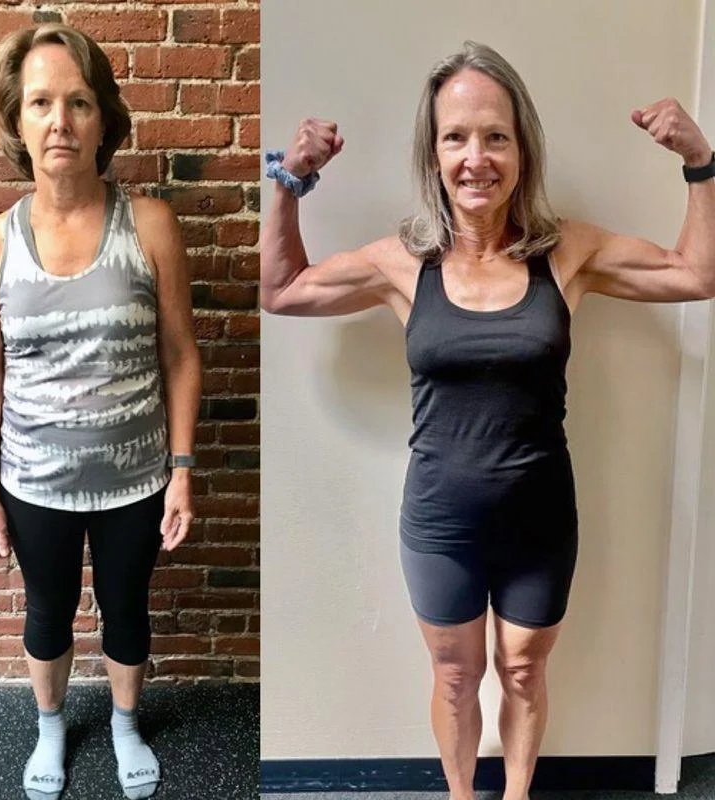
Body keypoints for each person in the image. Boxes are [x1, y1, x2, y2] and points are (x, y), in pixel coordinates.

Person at [260, 40, 715, 800]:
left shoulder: (567, 250)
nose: (477, 157)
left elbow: (696, 272)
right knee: (453, 674)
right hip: (440, 525)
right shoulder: (405, 261)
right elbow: (283, 290)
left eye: (495, 136)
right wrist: (292, 182)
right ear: (433, 152)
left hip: (541, 521)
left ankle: (517, 794)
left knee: (525, 670)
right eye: (456, 137)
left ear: (522, 148)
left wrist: (700, 164)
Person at [0, 23, 201, 800]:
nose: (60, 121)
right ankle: (52, 726)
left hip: (136, 478)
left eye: (78, 102)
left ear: (103, 121)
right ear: (17, 123)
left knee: (127, 609)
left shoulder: (151, 225)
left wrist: (184, 473)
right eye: (40, 103)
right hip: (35, 483)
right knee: (48, 612)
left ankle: (127, 724)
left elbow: (182, 358)